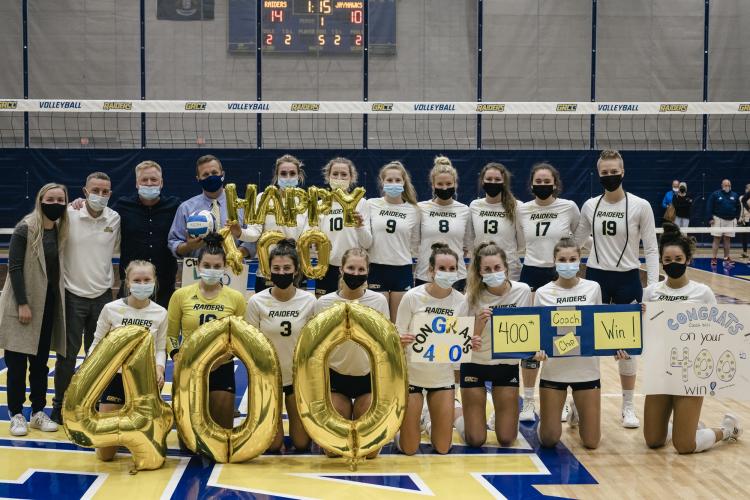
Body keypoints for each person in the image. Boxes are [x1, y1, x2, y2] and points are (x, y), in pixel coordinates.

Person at [574, 149, 658, 429]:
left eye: (614, 172)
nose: (609, 176)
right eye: (605, 173)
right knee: (583, 341)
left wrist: (652, 290)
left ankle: (628, 406)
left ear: (623, 172)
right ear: (598, 175)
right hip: (596, 278)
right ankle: (573, 403)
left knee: (627, 346)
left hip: (628, 279)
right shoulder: (589, 205)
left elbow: (652, 249)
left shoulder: (640, 206)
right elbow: (577, 241)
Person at [642, 223, 742, 453]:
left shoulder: (703, 292)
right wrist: (639, 318)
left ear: (688, 259)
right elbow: (644, 332)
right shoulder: (651, 292)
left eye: (678, 258)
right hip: (660, 370)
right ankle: (687, 425)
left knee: (684, 446)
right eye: (667, 260)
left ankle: (727, 430)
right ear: (661, 262)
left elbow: (719, 332)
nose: (672, 263)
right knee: (653, 441)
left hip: (691, 371)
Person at [396, 243, 479, 455]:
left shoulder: (462, 302)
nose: (447, 273)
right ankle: (401, 425)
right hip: (412, 377)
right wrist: (400, 339)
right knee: (409, 449)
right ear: (431, 271)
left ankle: (430, 419)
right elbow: (395, 336)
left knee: (442, 448)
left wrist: (470, 342)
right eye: (442, 268)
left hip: (442, 378)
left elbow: (460, 343)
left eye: (452, 269)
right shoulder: (412, 297)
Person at [52, 172, 120, 425]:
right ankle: (60, 406)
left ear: (110, 194)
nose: (100, 195)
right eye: (95, 190)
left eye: (105, 191)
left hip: (103, 297)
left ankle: (91, 405)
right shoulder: (68, 216)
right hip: (72, 296)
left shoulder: (114, 218)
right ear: (84, 191)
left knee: (98, 357)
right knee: (66, 356)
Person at [0, 183, 68, 436]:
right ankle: (16, 413)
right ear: (40, 200)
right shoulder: (25, 228)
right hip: (23, 305)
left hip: (47, 305)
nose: (56, 203)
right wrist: (22, 303)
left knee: (40, 365)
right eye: (51, 198)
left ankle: (38, 411)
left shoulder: (61, 229)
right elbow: (14, 268)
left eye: (61, 199)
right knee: (16, 364)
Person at [517, 162, 580, 423]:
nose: (542, 185)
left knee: (565, 338)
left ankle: (566, 401)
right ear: (531, 184)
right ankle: (529, 402)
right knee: (531, 342)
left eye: (547, 181)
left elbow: (573, 238)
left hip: (559, 275)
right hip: (531, 274)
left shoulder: (568, 207)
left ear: (556, 184)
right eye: (538, 181)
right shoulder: (522, 210)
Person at [89, 260, 168, 461]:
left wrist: (159, 369)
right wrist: (93, 373)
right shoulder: (110, 308)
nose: (142, 284)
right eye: (137, 280)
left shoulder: (160, 312)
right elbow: (96, 343)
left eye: (147, 280)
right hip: (114, 379)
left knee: (148, 454)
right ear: (128, 283)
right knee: (105, 456)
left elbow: (160, 348)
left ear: (155, 281)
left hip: (144, 381)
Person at [167, 233, 247, 429]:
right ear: (198, 266)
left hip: (222, 366)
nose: (212, 270)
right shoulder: (180, 296)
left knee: (221, 433)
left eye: (217, 267)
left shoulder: (236, 298)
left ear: (225, 267)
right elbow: (170, 335)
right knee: (189, 439)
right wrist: (178, 357)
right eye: (207, 266)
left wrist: (220, 360)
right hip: (188, 366)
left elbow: (240, 339)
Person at [315, 247, 390, 456]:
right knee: (333, 451)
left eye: (360, 269)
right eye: (351, 268)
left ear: (368, 271)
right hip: (336, 378)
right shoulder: (324, 303)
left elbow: (384, 345)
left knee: (370, 452)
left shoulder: (378, 301)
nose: (355, 274)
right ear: (341, 269)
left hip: (368, 378)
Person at [245, 239, 316, 452]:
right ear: (269, 270)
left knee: (302, 442)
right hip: (269, 377)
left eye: (287, 268)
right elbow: (250, 344)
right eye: (276, 268)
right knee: (273, 444)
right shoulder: (256, 302)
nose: (282, 272)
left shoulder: (309, 301)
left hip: (296, 376)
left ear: (296, 271)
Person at [533, 238, 603, 450]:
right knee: (549, 439)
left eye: (572, 259)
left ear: (579, 261)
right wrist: (536, 352)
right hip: (554, 372)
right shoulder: (543, 293)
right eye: (562, 259)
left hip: (587, 371)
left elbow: (600, 328)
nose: (567, 263)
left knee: (591, 443)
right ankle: (550, 420)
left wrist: (619, 345)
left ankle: (576, 409)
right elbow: (538, 335)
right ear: (554, 261)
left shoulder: (593, 288)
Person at [460, 242, 531, 447]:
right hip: (475, 365)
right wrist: (477, 327)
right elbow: (461, 342)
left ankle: (498, 418)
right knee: (476, 440)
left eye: (497, 268)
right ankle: (455, 415)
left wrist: (536, 350)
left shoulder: (523, 291)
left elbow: (530, 330)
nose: (493, 273)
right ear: (480, 273)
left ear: (506, 268)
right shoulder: (471, 298)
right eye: (487, 269)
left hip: (506, 366)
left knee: (507, 439)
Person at [231, 154, 310, 292]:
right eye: (283, 173)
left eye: (292, 173)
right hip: (267, 271)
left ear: (299, 176)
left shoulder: (306, 201)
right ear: (277, 176)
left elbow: (308, 238)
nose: (288, 177)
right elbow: (254, 233)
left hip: (296, 271)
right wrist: (239, 232)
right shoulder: (263, 197)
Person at [112, 161, 181, 307]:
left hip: (165, 287)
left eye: (154, 180)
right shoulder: (122, 206)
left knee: (163, 329)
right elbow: (101, 218)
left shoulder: (175, 206)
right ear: (137, 183)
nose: (149, 183)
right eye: (144, 180)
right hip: (131, 285)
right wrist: (81, 203)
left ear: (161, 183)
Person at [366, 161, 420, 323]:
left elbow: (415, 243)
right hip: (376, 268)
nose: (393, 183)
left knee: (398, 323)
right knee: (379, 322)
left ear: (404, 182)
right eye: (389, 180)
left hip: (402, 270)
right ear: (382, 182)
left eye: (397, 180)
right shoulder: (371, 204)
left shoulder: (413, 209)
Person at [169, 154, 252, 260]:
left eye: (214, 173)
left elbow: (253, 240)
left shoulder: (242, 207)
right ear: (198, 179)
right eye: (205, 174)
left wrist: (235, 254)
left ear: (223, 174)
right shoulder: (186, 208)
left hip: (234, 269)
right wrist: (189, 246)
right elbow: (174, 243)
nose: (211, 177)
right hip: (196, 272)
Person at [315, 157, 372, 297]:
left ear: (351, 178)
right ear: (328, 177)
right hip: (326, 268)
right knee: (324, 313)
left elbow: (367, 243)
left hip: (354, 269)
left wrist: (360, 226)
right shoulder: (319, 205)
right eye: (335, 174)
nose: (339, 178)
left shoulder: (361, 203)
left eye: (344, 174)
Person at [414, 156, 472, 292]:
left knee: (456, 313)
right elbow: (414, 242)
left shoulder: (464, 210)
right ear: (433, 185)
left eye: (448, 184)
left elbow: (468, 244)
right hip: (426, 274)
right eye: (440, 184)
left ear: (455, 184)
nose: (444, 187)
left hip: (456, 276)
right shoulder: (421, 208)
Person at [469, 162, 524, 281]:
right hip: (481, 268)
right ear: (482, 181)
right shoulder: (475, 205)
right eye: (489, 179)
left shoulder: (517, 206)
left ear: (504, 182)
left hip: (509, 269)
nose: (493, 182)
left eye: (497, 179)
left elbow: (522, 243)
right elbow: (471, 239)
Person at [706, 179, 741, 266]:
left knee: (727, 239)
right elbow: (709, 206)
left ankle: (726, 258)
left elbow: (738, 207)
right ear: (722, 185)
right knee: (716, 239)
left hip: (731, 220)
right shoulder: (715, 194)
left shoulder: (735, 195)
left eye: (728, 185)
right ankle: (714, 258)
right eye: (725, 185)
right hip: (718, 219)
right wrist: (710, 218)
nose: (727, 186)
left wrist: (737, 218)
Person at [739, 184, 750, 258]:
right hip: (744, 219)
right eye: (748, 189)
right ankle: (745, 252)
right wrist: (740, 218)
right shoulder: (741, 197)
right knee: (744, 236)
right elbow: (742, 208)